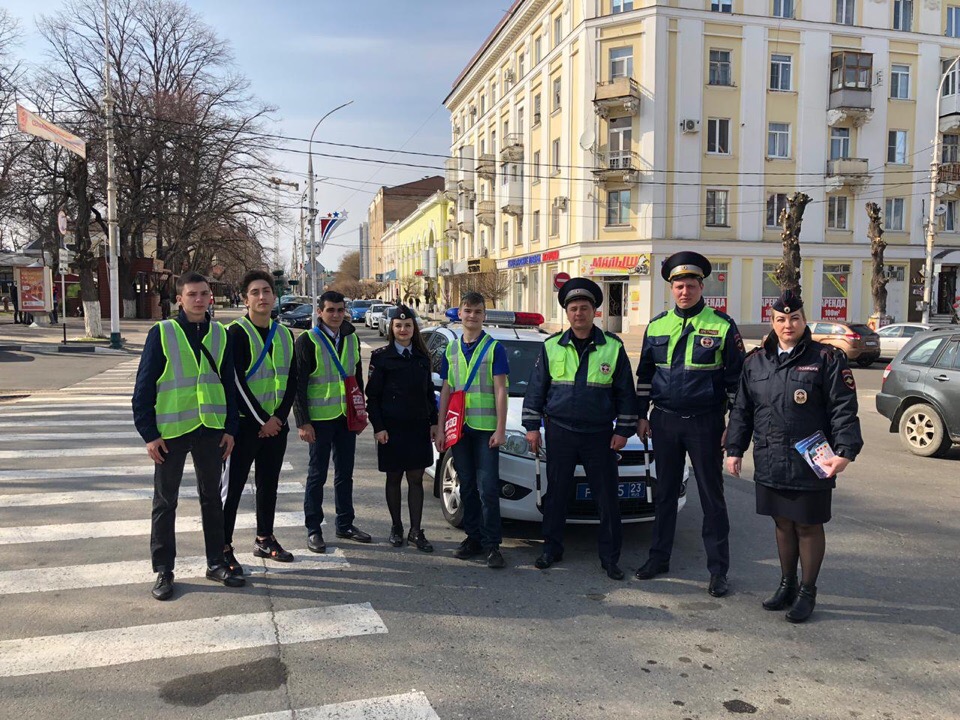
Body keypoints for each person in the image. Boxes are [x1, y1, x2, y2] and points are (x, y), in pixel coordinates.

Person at [725, 290, 862, 623]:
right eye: (781, 319)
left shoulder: (826, 358)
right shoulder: (755, 361)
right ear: (772, 322)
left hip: (811, 460)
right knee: (782, 523)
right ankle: (786, 585)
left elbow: (843, 408)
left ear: (804, 321)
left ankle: (807, 591)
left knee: (808, 526)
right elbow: (743, 410)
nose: (789, 324)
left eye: (795, 318)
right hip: (770, 457)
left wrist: (845, 452)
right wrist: (734, 450)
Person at [634, 251, 745, 597]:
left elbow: (737, 384)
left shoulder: (722, 325)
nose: (685, 291)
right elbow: (645, 377)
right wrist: (641, 415)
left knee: (713, 498)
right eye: (679, 286)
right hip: (664, 422)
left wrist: (734, 427)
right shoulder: (656, 326)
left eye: (691, 285)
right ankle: (658, 558)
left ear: (702, 287)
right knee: (664, 493)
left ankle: (718, 570)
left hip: (706, 424)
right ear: (671, 288)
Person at [132, 271, 242, 601]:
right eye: (192, 294)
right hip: (171, 433)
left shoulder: (221, 335)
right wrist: (149, 434)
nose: (198, 299)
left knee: (212, 498)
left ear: (211, 297)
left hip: (210, 430)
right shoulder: (162, 332)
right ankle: (164, 571)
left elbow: (229, 385)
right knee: (166, 502)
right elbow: (143, 387)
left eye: (204, 294)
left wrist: (231, 429)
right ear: (179, 299)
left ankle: (216, 562)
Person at [522, 278, 638, 580]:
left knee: (607, 498)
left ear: (594, 311)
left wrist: (623, 431)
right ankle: (551, 548)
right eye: (573, 308)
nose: (578, 313)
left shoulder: (613, 347)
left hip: (599, 434)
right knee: (557, 494)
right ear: (566, 312)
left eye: (584, 308)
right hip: (560, 431)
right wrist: (532, 427)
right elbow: (536, 391)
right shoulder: (550, 347)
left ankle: (610, 558)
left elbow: (626, 393)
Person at [221, 270, 298, 574]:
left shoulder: (284, 334)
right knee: (233, 488)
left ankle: (264, 538)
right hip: (244, 426)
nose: (262, 297)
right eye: (255, 292)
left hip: (275, 426)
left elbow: (291, 378)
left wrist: (279, 417)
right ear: (245, 298)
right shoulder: (236, 333)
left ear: (274, 296)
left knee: (269, 484)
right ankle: (223, 546)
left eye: (266, 291)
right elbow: (235, 382)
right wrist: (262, 420)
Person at [436, 292, 509, 569]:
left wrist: (501, 429)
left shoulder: (494, 348)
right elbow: (446, 389)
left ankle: (493, 546)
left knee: (488, 488)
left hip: (486, 428)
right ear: (460, 313)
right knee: (466, 485)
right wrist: (442, 427)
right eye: (468, 311)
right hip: (459, 428)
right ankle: (473, 538)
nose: (472, 316)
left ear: (484, 316)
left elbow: (501, 389)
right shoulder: (452, 349)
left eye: (478, 312)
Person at [294, 290, 371, 552]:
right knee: (317, 475)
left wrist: (360, 411)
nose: (336, 315)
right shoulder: (307, 341)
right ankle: (314, 529)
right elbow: (299, 385)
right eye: (331, 310)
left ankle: (345, 524)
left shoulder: (351, 338)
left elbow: (356, 378)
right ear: (320, 312)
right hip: (319, 419)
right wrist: (303, 422)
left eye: (340, 310)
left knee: (345, 474)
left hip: (345, 417)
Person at [366, 305, 438, 552]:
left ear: (413, 328)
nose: (403, 329)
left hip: (417, 427)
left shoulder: (421, 357)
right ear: (392, 328)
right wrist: (379, 427)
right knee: (394, 477)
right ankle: (396, 526)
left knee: (416, 479)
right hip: (392, 429)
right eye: (398, 325)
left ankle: (416, 531)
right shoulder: (381, 357)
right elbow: (372, 397)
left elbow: (429, 393)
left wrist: (434, 422)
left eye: (408, 325)